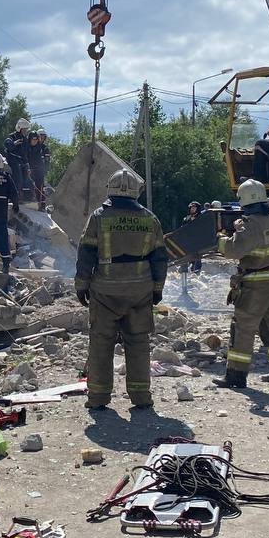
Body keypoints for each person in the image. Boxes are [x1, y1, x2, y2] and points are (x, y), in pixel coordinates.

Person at [75, 170, 168, 411]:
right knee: (138, 342)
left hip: (105, 291)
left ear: (110, 189)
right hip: (140, 290)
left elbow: (86, 254)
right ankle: (141, 397)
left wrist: (81, 285)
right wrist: (157, 288)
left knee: (101, 343)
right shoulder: (151, 219)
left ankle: (98, 398)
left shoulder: (99, 218)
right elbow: (159, 258)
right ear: (136, 191)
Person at [213, 179, 269, 388]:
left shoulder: (251, 224)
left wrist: (221, 238)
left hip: (255, 284)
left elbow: (234, 251)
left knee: (243, 328)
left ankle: (235, 376)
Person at [4, 117, 32, 200]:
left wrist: (27, 165)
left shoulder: (25, 140)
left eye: (26, 130)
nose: (25, 131)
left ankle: (22, 196)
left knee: (26, 179)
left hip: (22, 162)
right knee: (17, 178)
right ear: (20, 129)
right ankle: (14, 197)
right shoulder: (12, 137)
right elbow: (7, 145)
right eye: (24, 130)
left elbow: (25, 154)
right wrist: (14, 144)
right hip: (13, 161)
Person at [27, 129, 51, 210]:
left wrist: (45, 170)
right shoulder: (29, 146)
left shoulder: (44, 148)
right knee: (31, 185)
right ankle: (31, 201)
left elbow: (47, 161)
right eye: (40, 136)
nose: (41, 138)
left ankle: (41, 204)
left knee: (40, 187)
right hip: (31, 169)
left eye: (43, 137)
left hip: (40, 170)